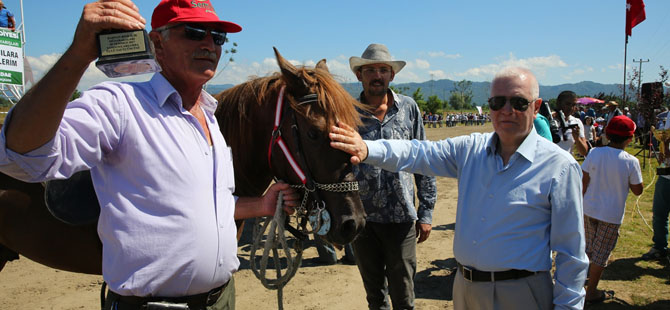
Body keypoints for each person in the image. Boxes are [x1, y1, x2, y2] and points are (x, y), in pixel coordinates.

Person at [0, 1, 298, 309]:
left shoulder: (210, 118)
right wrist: (78, 55)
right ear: (157, 42)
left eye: (217, 37)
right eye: (194, 32)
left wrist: (260, 205)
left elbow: (208, 204)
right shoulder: (120, 104)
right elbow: (22, 154)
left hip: (221, 300)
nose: (209, 43)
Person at [330, 67, 588, 310]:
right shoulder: (471, 150)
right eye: (498, 102)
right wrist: (367, 149)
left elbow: (571, 253)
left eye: (519, 102)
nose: (506, 110)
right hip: (465, 288)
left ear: (537, 106)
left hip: (521, 291)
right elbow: (418, 152)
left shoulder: (559, 166)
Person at [347, 43, 437, 310]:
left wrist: (427, 212)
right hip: (363, 221)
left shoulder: (408, 108)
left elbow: (424, 159)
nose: (377, 75)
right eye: (371, 70)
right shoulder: (348, 112)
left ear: (392, 75)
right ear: (359, 75)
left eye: (383, 70)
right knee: (375, 297)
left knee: (404, 297)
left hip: (402, 218)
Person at [582, 115, 643, 305]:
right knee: (601, 254)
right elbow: (637, 190)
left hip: (589, 209)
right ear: (630, 139)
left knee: (588, 248)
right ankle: (591, 292)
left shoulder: (594, 153)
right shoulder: (631, 161)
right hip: (611, 215)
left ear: (607, 134)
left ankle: (579, 284)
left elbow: (584, 180)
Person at [642, 109, 670, 261]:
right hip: (666, 175)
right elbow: (665, 138)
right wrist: (663, 150)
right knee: (659, 214)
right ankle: (659, 247)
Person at [556, 91, 589, 157]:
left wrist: (577, 139)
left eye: (573, 105)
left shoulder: (576, 122)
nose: (571, 108)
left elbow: (584, 152)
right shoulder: (547, 121)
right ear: (559, 104)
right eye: (567, 104)